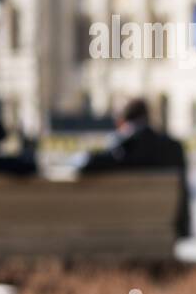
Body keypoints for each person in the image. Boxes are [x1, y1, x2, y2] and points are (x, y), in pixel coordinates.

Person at [81, 98, 190, 238]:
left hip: (125, 231)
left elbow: (88, 165)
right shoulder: (174, 148)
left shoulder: (126, 147)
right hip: (168, 228)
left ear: (121, 122)